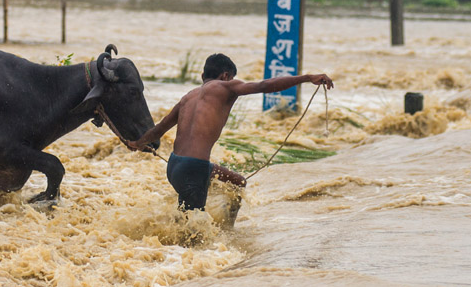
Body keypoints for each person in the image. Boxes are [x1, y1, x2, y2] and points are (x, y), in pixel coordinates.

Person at [128, 54, 333, 212]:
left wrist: (138, 143)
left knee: (238, 182)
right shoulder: (227, 86)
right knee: (192, 233)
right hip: (194, 168)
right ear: (226, 76)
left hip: (174, 167)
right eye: (232, 78)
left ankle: (225, 230)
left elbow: (158, 130)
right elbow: (264, 85)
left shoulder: (187, 97)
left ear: (202, 76)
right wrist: (306, 78)